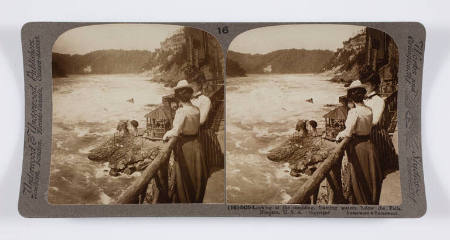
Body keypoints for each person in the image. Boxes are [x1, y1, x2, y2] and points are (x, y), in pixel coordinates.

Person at [336, 80, 383, 205]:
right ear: (362, 95)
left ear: (352, 97)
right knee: (371, 177)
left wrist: (338, 136)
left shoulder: (354, 112)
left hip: (359, 147)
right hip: (370, 145)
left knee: (360, 178)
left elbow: (348, 132)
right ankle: (371, 203)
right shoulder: (369, 110)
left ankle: (362, 203)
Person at [162, 80, 208, 203]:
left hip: (185, 146)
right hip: (196, 144)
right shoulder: (196, 109)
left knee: (185, 176)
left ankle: (185, 201)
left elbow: (176, 131)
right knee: (196, 175)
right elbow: (196, 125)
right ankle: (195, 200)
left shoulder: (181, 111)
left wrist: (165, 135)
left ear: (178, 96)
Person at [360, 67, 398, 176]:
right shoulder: (362, 99)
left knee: (376, 170)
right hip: (365, 133)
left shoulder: (379, 101)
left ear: (373, 85)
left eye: (366, 85)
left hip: (375, 135)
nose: (364, 88)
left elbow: (375, 121)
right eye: (363, 85)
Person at [190, 72, 223, 175]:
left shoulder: (205, 100)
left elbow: (201, 120)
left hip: (202, 135)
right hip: (192, 134)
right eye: (189, 85)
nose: (190, 88)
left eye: (192, 85)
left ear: (199, 85)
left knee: (203, 168)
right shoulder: (189, 100)